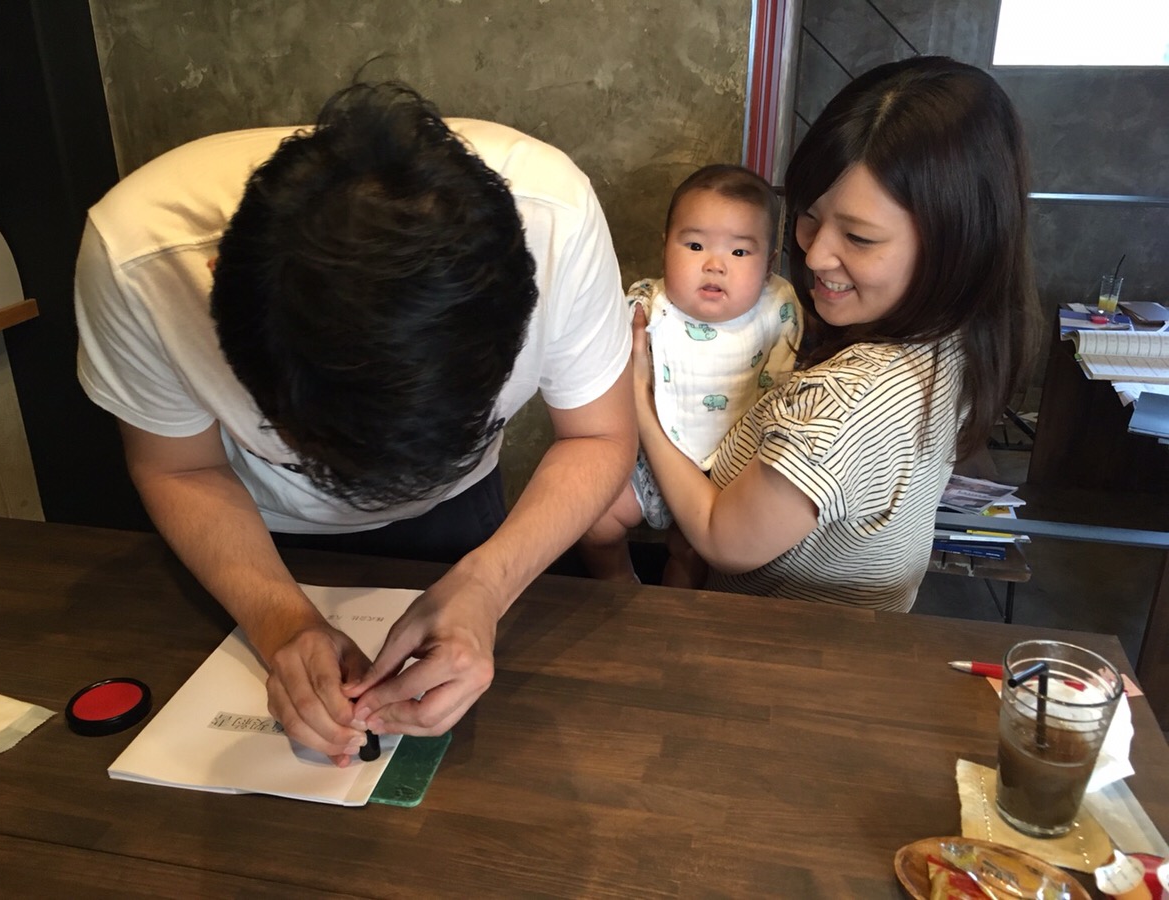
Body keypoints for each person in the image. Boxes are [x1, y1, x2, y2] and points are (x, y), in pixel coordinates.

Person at [74, 81, 636, 765]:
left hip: (464, 521)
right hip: (248, 533)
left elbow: (599, 434)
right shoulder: (139, 258)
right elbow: (179, 466)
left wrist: (488, 585)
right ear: (217, 286)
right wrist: (279, 621)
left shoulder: (556, 222)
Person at [631, 56, 1040, 612]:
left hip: (775, 646)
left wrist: (641, 401)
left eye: (859, 238)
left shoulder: (846, 404)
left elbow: (720, 537)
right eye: (810, 216)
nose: (816, 255)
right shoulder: (957, 333)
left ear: (957, 244)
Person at [577, 165, 800, 586]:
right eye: (695, 245)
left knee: (692, 551)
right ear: (666, 247)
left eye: (739, 253)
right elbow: (606, 366)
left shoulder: (778, 308)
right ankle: (617, 587)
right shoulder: (648, 304)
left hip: (727, 471)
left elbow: (784, 383)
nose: (714, 265)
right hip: (645, 459)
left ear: (770, 265)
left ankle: (672, 609)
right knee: (594, 520)